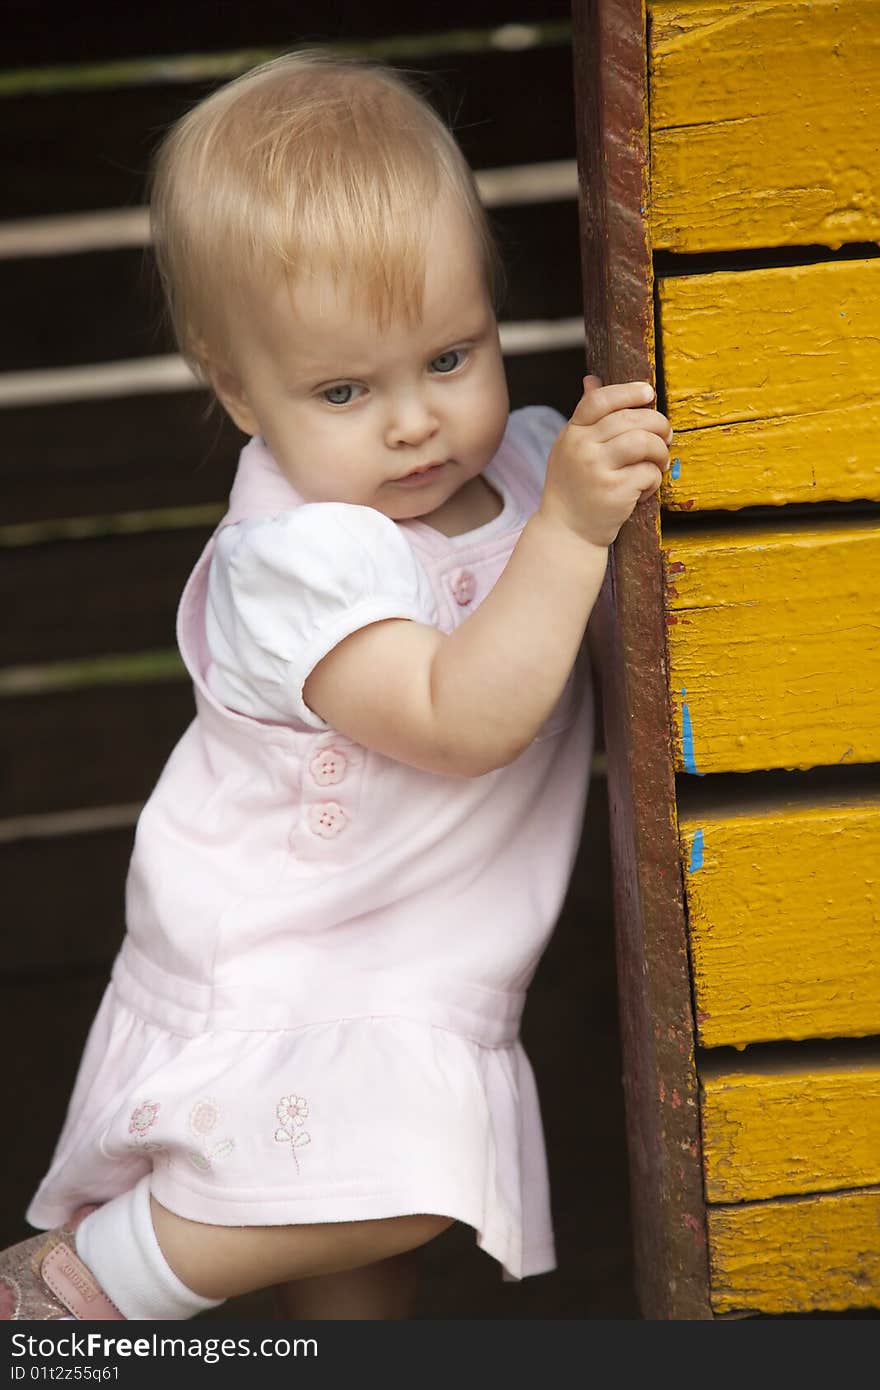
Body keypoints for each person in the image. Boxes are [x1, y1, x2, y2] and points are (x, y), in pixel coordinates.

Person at [0, 50, 671, 1322]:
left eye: (450, 356)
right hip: (289, 965)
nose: (414, 421)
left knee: (360, 1275)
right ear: (238, 389)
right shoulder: (298, 559)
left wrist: (569, 496)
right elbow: (459, 716)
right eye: (345, 389)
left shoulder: (531, 465)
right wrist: (576, 535)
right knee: (410, 1182)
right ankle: (77, 1291)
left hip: (412, 967)